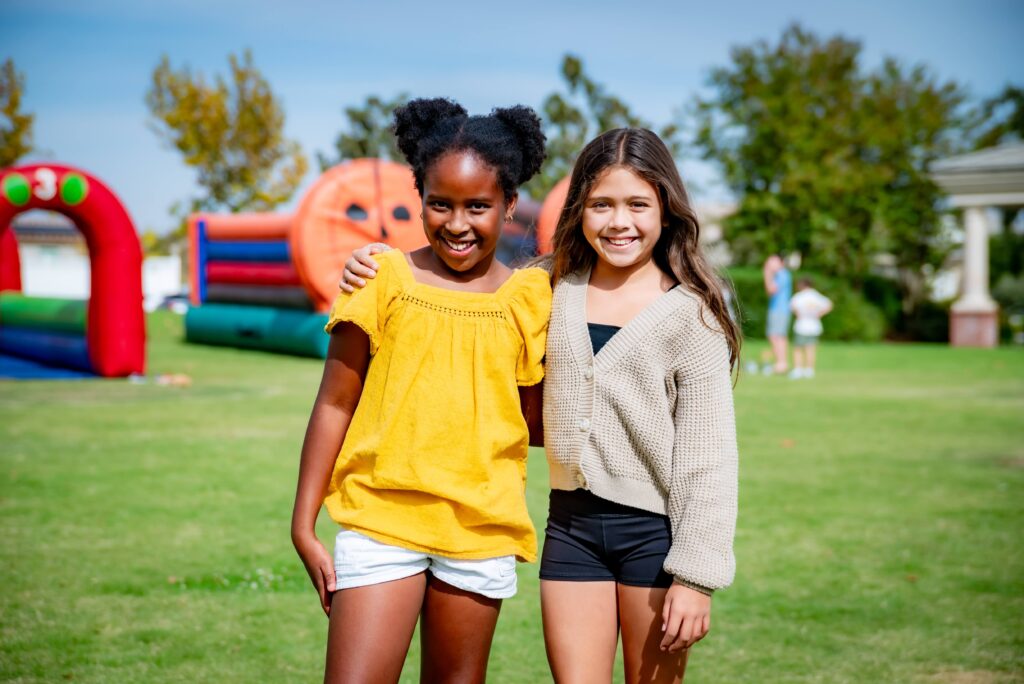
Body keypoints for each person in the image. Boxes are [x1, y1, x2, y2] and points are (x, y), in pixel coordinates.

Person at [342, 128, 740, 684]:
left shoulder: (693, 318)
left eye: (637, 205)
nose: (618, 221)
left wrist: (696, 579)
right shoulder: (545, 291)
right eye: (601, 204)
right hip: (571, 534)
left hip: (657, 539)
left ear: (667, 211)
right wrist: (373, 259)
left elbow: (709, 462)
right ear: (579, 209)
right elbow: (465, 290)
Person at [290, 97, 550, 684]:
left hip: (479, 531)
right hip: (380, 521)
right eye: (441, 204)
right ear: (421, 199)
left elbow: (533, 425)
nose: (458, 224)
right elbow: (335, 403)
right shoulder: (380, 279)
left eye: (478, 206)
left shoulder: (530, 301)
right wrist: (303, 525)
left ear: (510, 206)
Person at [789, 277, 833, 379]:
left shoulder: (799, 296)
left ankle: (798, 369)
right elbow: (829, 304)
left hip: (801, 325)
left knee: (798, 348)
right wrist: (819, 314)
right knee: (811, 348)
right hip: (814, 325)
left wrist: (798, 314)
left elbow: (792, 306)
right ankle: (809, 370)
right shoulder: (816, 296)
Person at [763, 254, 792, 374]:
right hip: (781, 309)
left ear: (780, 263)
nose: (769, 265)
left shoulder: (781, 274)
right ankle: (781, 363)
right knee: (779, 336)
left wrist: (767, 273)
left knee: (774, 335)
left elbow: (770, 290)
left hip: (779, 310)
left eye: (771, 262)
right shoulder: (783, 274)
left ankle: (781, 363)